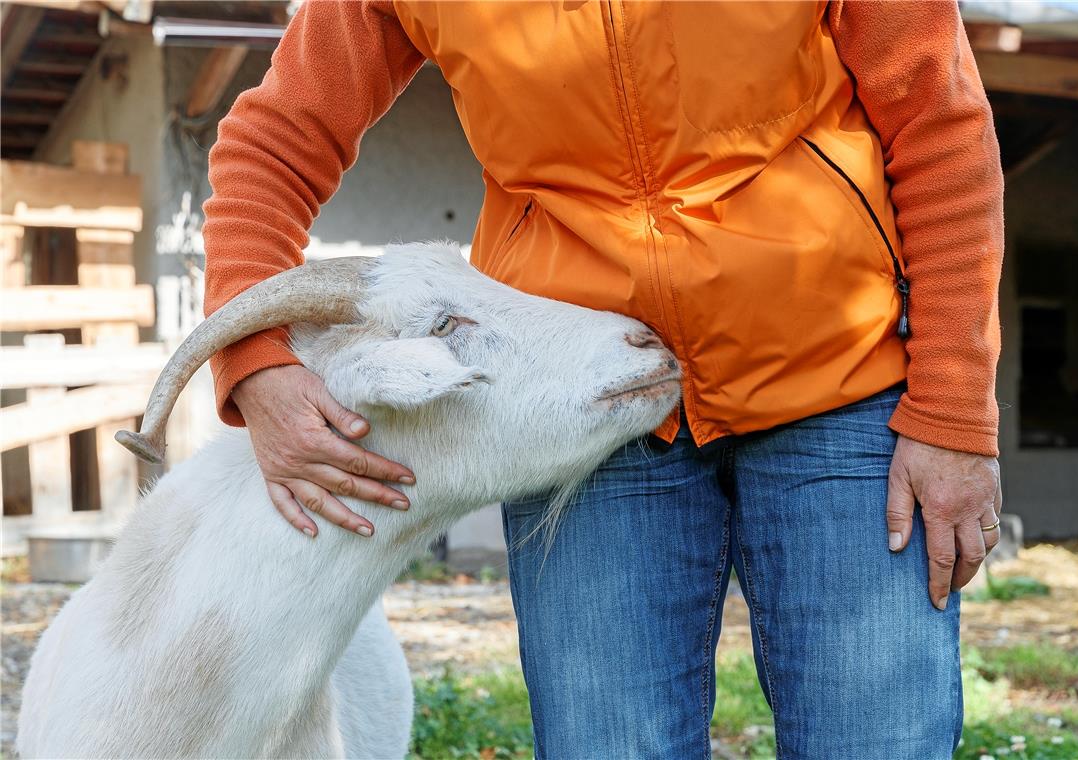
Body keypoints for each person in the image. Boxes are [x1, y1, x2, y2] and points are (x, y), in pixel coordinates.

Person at [203, 2, 1003, 757]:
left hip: (841, 379)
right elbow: (275, 143)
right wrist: (253, 360)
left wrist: (953, 411)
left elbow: (940, 126)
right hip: (585, 409)